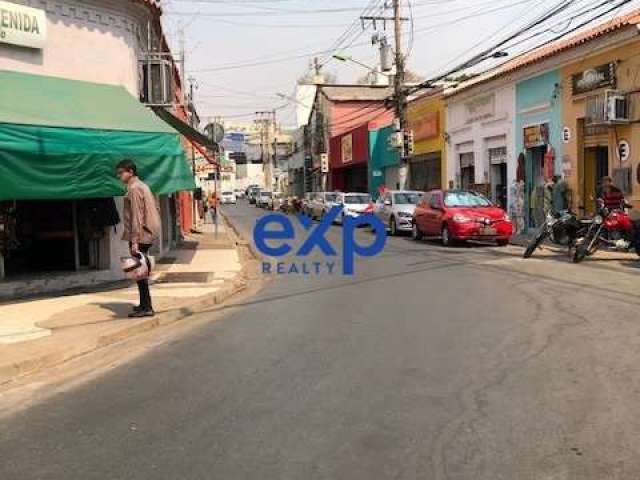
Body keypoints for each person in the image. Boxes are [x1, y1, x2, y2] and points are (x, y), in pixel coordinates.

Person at [116, 159, 161, 318]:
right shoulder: (142, 186)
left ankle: (147, 307)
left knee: (139, 272)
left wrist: (135, 240)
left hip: (141, 235)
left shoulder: (135, 188)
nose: (119, 175)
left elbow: (137, 216)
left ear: (131, 172)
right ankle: (144, 304)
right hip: (146, 233)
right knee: (140, 272)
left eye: (121, 172)